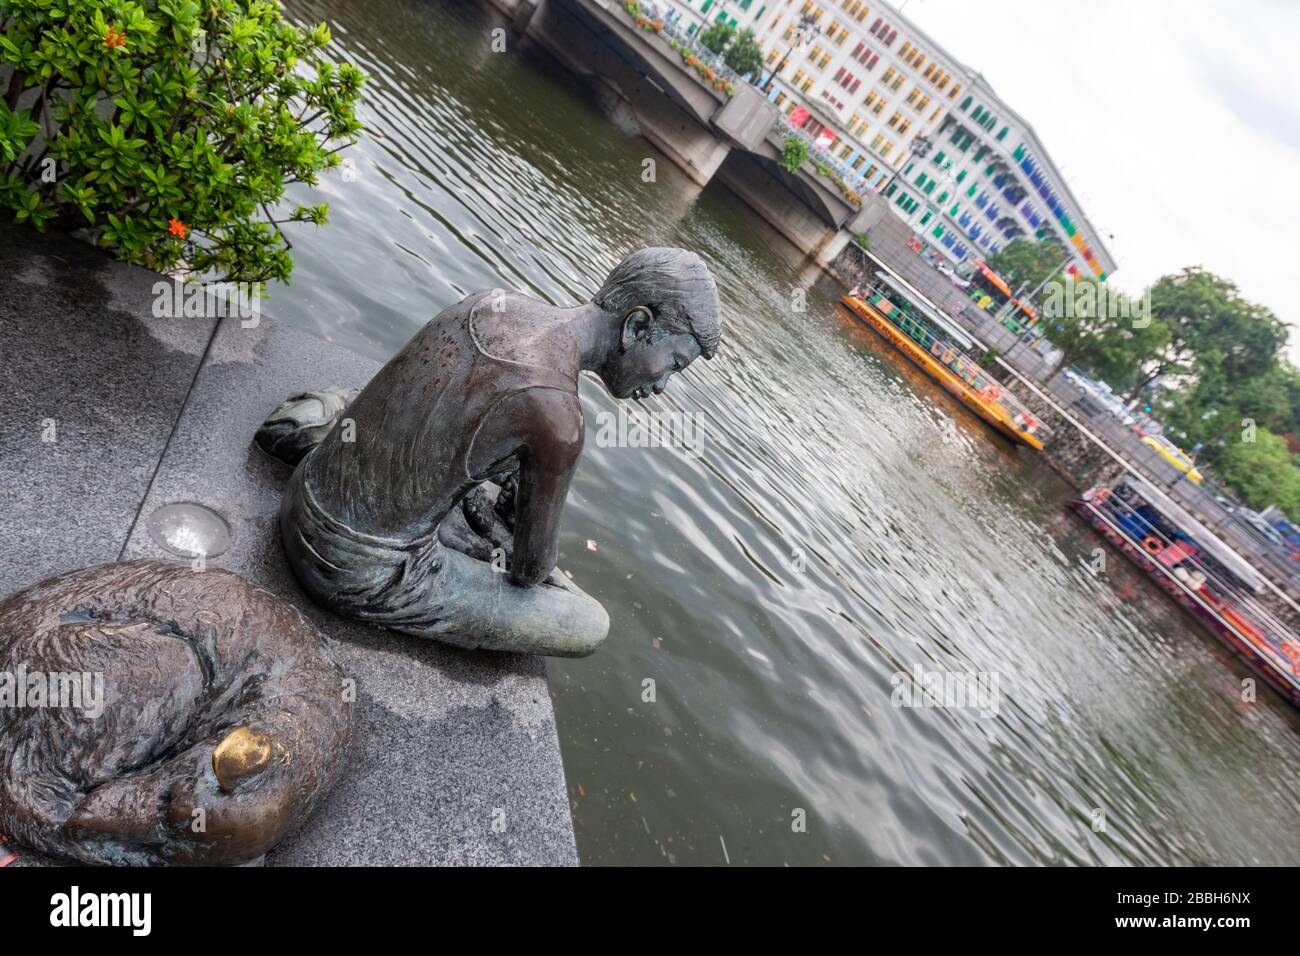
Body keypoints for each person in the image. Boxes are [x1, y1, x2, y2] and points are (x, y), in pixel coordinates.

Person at [258, 248, 721, 657]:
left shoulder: (492, 302)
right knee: (586, 622)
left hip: (310, 486)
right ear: (638, 326)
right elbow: (528, 572)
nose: (662, 384)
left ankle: (315, 422)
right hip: (350, 568)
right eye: (674, 364)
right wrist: (520, 525)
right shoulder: (560, 420)